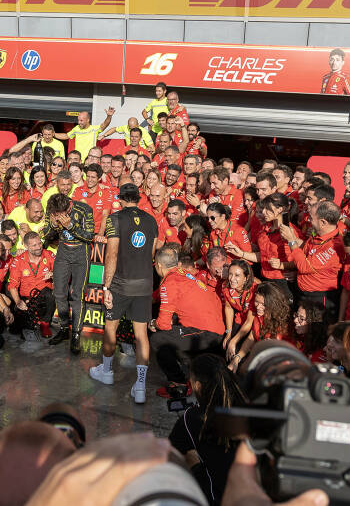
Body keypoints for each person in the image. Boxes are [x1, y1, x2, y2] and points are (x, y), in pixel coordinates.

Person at [90, 184, 160, 404]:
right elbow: (150, 253)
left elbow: (111, 254)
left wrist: (106, 287)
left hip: (120, 284)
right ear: (138, 199)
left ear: (120, 199)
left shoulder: (114, 219)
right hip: (144, 284)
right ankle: (140, 386)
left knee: (111, 329)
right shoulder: (151, 220)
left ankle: (107, 372)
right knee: (141, 336)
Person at [149, 246, 226, 397]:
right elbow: (158, 296)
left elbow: (163, 324)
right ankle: (192, 372)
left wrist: (151, 323)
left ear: (158, 266)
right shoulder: (181, 273)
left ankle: (179, 384)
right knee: (172, 334)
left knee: (158, 338)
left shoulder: (169, 283)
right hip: (215, 328)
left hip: (207, 333)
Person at [168, 354, 243, 505]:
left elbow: (169, 455)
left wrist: (195, 465)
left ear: (198, 386)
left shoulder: (192, 418)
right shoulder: (248, 403)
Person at [45, 192, 96, 353]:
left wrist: (71, 226)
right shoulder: (52, 209)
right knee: (59, 292)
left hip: (81, 253)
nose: (57, 216)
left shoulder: (84, 209)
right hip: (63, 252)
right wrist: (53, 226)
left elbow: (89, 237)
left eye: (60, 214)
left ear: (69, 207)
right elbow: (45, 235)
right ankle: (64, 328)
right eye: (55, 214)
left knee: (78, 295)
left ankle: (76, 334)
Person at [278, 199, 344, 318]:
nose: (308, 220)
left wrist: (292, 241)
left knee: (316, 333)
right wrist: (292, 236)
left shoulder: (334, 245)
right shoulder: (319, 235)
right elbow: (306, 251)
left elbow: (305, 266)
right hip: (304, 294)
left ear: (323, 222)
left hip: (319, 299)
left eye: (312, 218)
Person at [6, 231, 57, 337]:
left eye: (39, 243)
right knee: (15, 330)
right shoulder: (18, 260)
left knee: (50, 294)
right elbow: (12, 285)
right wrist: (18, 301)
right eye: (34, 245)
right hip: (27, 298)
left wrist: (53, 274)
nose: (38, 247)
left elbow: (61, 272)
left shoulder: (49, 255)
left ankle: (45, 324)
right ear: (26, 246)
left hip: (44, 295)